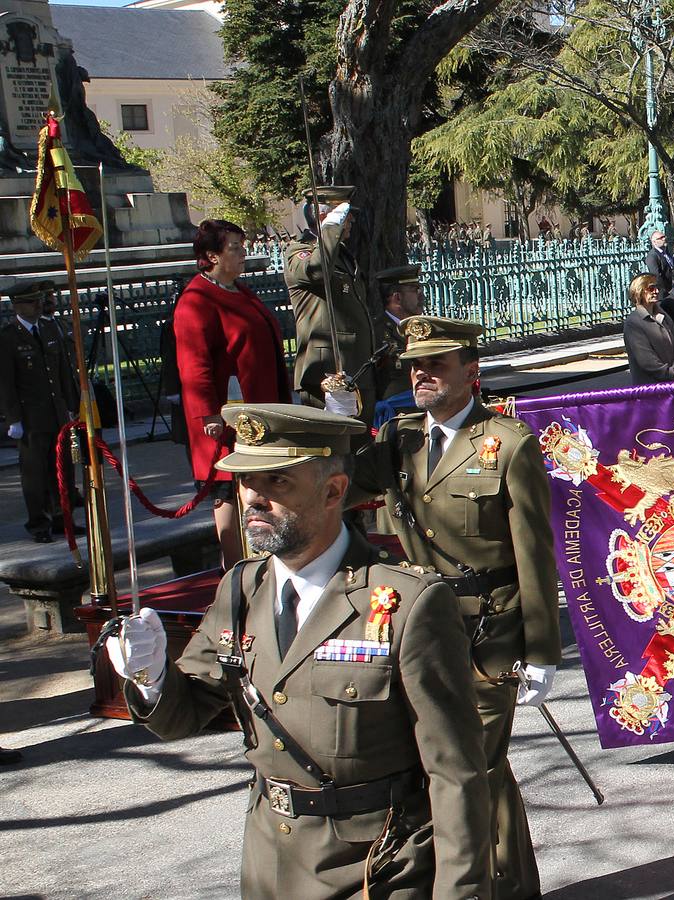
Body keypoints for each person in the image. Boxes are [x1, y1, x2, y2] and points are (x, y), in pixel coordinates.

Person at [104, 403, 495, 898]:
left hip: (379, 866)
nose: (254, 499)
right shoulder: (241, 590)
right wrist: (150, 677)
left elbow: (456, 771)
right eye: (246, 482)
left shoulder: (406, 603)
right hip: (271, 863)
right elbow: (182, 717)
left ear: (333, 490)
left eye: (278, 483)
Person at [331, 318, 559, 899]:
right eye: (414, 367)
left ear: (472, 372)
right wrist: (340, 420)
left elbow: (533, 552)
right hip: (416, 630)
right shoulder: (399, 439)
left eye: (436, 366)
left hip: (489, 631)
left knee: (468, 767)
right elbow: (340, 484)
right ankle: (511, 883)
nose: (421, 376)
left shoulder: (508, 443)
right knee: (473, 767)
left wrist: (541, 651)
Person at [173, 219, 293, 567]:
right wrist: (208, 413)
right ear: (212, 255)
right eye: (235, 248)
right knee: (229, 488)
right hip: (230, 418)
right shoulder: (197, 299)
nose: (243, 254)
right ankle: (238, 569)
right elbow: (194, 364)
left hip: (260, 411)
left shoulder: (237, 290)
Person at [284, 186, 379, 423]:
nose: (351, 221)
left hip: (356, 367)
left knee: (359, 444)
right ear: (324, 218)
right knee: (333, 448)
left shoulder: (342, 255)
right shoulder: (300, 252)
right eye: (345, 215)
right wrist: (330, 228)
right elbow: (317, 271)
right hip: (327, 372)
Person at [0, 280, 80, 543]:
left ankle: (62, 519)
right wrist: (13, 418)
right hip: (30, 418)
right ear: (16, 306)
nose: (37, 306)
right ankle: (38, 523)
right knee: (34, 474)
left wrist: (71, 405)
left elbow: (63, 373)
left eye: (38, 301)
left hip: (56, 412)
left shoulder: (48, 329)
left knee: (62, 470)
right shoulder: (9, 338)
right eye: (30, 302)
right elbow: (6, 382)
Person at [374, 264, 426, 405]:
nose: (421, 295)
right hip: (395, 414)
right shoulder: (377, 332)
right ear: (397, 297)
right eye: (415, 290)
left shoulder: (423, 327)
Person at [622, 273, 674, 384]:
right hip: (651, 388)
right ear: (639, 291)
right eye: (651, 288)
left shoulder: (664, 316)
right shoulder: (634, 322)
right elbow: (647, 361)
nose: (656, 291)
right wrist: (670, 374)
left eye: (657, 288)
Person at [645, 228, 674, 296]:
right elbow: (656, 276)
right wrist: (666, 291)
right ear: (654, 242)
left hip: (673, 289)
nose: (664, 239)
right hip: (665, 293)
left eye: (664, 237)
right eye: (661, 238)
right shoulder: (652, 256)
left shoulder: (666, 253)